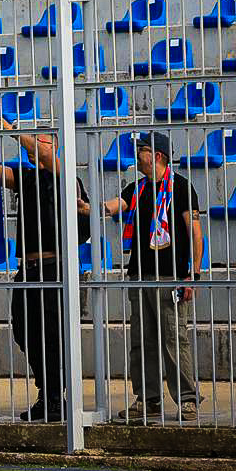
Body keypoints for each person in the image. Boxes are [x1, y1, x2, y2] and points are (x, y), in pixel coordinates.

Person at [0, 115, 90, 423]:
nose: (38, 144)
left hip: (54, 269)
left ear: (55, 146)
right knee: (24, 331)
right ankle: (49, 392)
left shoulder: (67, 177)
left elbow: (46, 156)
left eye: (43, 139)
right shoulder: (26, 177)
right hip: (28, 269)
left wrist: (10, 129)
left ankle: (55, 397)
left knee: (53, 335)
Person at [96, 132, 204, 423]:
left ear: (157, 155)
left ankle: (187, 399)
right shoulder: (137, 189)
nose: (137, 154)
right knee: (141, 341)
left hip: (171, 276)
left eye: (141, 149)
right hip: (140, 275)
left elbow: (195, 232)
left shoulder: (181, 187)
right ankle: (148, 398)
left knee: (173, 338)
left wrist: (192, 274)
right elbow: (112, 206)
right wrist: (86, 206)